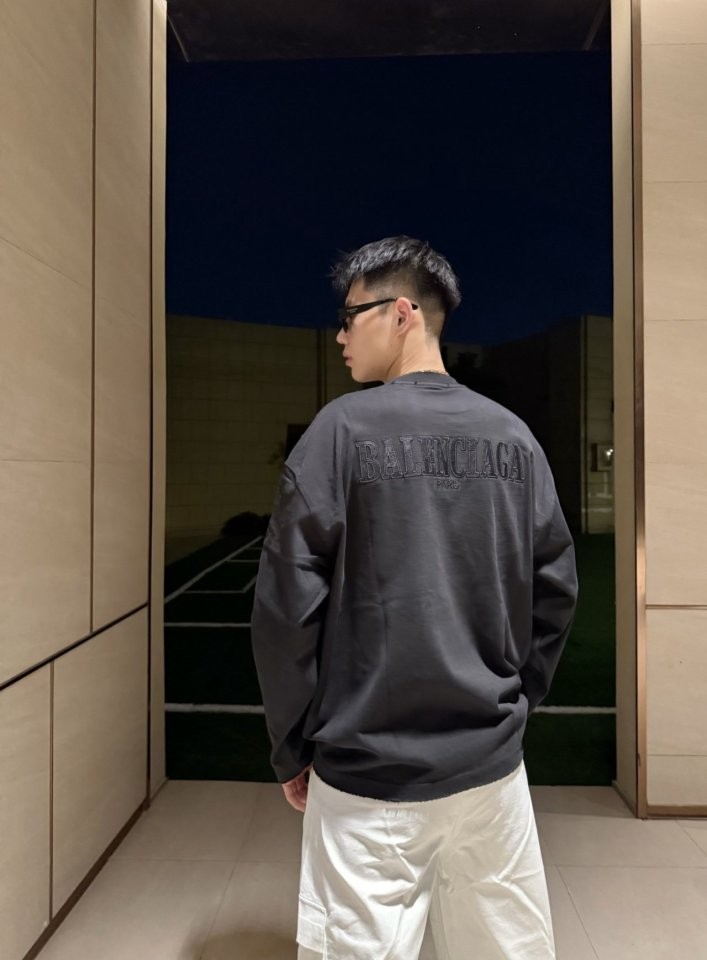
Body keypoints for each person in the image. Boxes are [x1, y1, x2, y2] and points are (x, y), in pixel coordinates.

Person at [251, 235, 579, 960]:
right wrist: (514, 701)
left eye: (350, 316)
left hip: (366, 778)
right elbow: (556, 590)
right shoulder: (513, 438)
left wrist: (292, 746)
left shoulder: (338, 433)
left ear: (401, 314)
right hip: (490, 772)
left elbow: (284, 610)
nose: (340, 335)